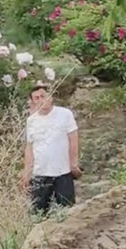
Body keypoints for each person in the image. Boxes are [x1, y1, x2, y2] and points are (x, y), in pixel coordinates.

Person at [22, 85, 81, 214]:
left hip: (62, 172)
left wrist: (73, 163)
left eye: (43, 96)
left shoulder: (65, 114)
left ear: (50, 97)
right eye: (36, 98)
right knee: (38, 212)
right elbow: (29, 147)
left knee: (67, 211)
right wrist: (27, 171)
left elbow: (73, 139)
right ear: (33, 102)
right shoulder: (31, 121)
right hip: (40, 173)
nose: (41, 100)